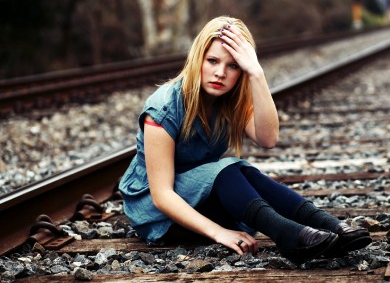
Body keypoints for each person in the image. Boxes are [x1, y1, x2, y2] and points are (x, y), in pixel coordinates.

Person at [118, 16, 371, 263]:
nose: (220, 73)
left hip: (201, 199)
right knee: (227, 169)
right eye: (212, 61)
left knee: (241, 170)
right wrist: (220, 233)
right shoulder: (164, 107)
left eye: (233, 65)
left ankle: (330, 226)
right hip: (160, 214)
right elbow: (162, 195)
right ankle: (288, 235)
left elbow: (268, 138)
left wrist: (257, 74)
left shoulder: (231, 101)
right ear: (198, 60)